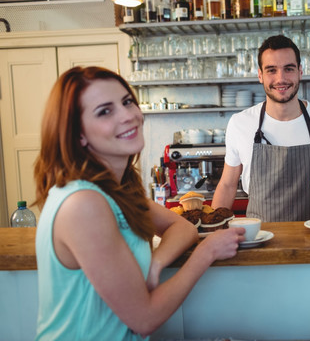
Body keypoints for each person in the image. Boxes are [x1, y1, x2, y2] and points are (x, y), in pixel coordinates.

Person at [33, 66, 245, 340]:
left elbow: (183, 228)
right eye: (105, 111)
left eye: (127, 102)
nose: (128, 116)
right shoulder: (83, 203)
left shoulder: (115, 191)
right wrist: (208, 252)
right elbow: (144, 318)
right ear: (79, 135)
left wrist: (154, 265)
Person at [212, 34, 310, 222]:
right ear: (260, 75)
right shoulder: (240, 124)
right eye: (271, 70)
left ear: (300, 71)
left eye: (289, 69)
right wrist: (213, 231)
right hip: (258, 239)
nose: (281, 78)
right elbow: (228, 185)